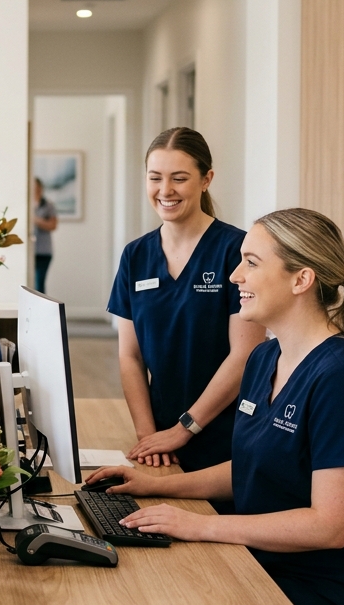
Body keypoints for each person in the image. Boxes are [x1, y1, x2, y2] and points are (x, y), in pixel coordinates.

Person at [88, 208, 344, 605]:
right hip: (265, 562)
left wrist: (200, 526)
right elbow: (257, 469)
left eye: (252, 263)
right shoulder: (264, 359)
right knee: (145, 595)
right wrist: (156, 485)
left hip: (339, 598)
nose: (235, 275)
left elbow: (330, 525)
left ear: (302, 280)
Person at [108, 127, 265, 473]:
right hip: (160, 435)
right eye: (155, 178)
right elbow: (129, 355)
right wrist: (148, 435)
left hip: (224, 434)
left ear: (206, 179)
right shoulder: (135, 256)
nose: (165, 191)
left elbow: (245, 356)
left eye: (179, 178)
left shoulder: (236, 251)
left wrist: (184, 429)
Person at [32, 177, 58, 294]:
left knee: (39, 284)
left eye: (38, 188)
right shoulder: (27, 205)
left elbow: (52, 225)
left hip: (44, 251)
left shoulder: (48, 205)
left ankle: (41, 311)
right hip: (30, 251)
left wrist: (36, 220)